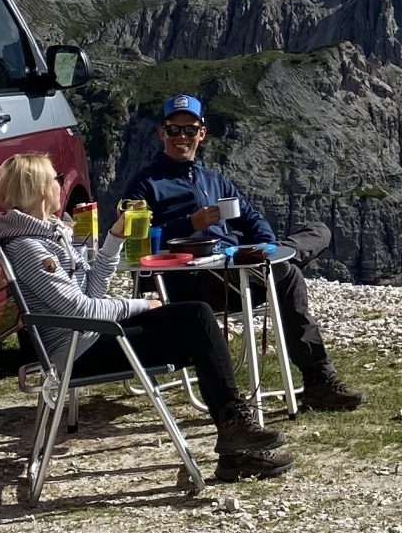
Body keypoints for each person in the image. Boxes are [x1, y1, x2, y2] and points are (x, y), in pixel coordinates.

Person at [0, 151, 293, 481]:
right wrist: (140, 306)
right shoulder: (30, 247)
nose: (59, 185)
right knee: (197, 327)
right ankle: (236, 443)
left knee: (197, 317)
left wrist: (115, 238)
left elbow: (91, 290)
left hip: (90, 334)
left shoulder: (50, 234)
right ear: (37, 189)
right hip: (79, 349)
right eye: (54, 179)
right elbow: (79, 309)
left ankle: (236, 437)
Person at [122, 94, 365, 413]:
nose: (182, 137)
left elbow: (250, 217)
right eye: (174, 130)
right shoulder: (145, 184)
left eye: (189, 130)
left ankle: (279, 256)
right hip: (191, 279)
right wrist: (188, 224)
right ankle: (318, 378)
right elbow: (132, 239)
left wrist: (264, 242)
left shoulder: (214, 179)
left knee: (320, 229)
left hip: (239, 267)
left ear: (201, 134)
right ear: (161, 133)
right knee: (289, 274)